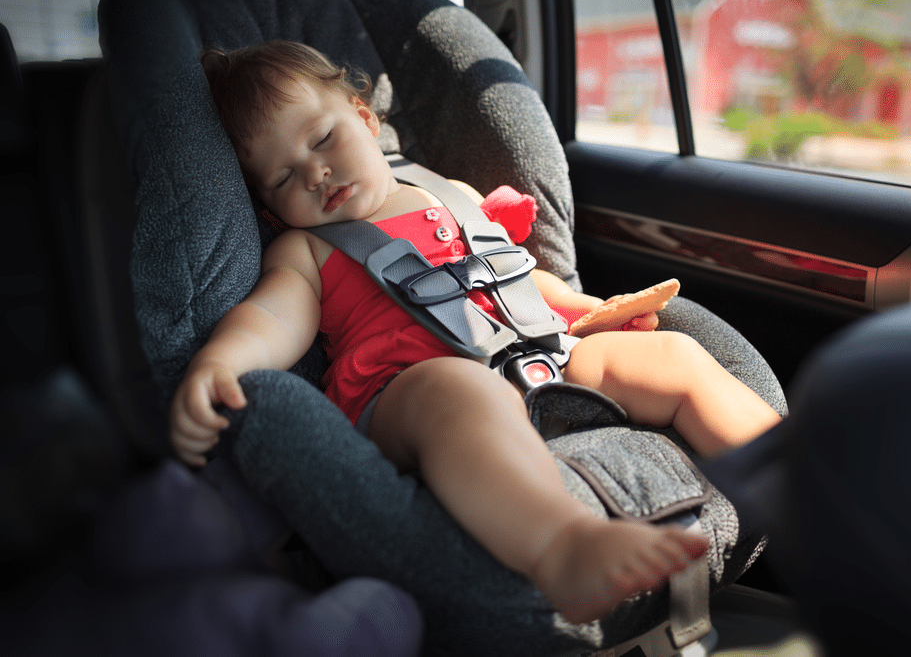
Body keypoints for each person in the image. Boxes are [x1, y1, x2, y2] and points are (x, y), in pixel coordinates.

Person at [169, 40, 781, 624]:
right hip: (412, 395)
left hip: (539, 361)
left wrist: (587, 311)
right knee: (461, 389)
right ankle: (563, 546)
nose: (316, 174)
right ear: (271, 210)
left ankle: (799, 477)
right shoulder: (307, 250)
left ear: (364, 118)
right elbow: (271, 318)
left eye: (323, 138)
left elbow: (517, 277)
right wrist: (220, 360)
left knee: (671, 355)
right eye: (282, 178)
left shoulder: (450, 195)